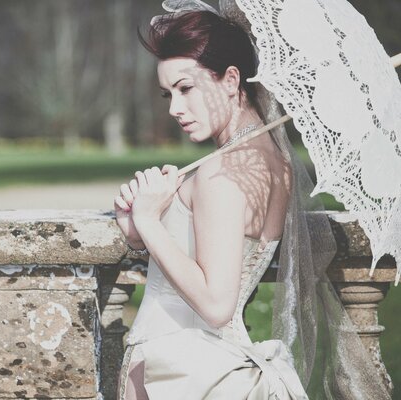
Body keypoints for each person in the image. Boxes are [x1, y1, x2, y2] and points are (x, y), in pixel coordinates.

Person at [112, 9, 308, 399]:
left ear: (231, 80)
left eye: (186, 88)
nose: (174, 109)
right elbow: (219, 252)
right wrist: (140, 232)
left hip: (177, 371)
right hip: (218, 364)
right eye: (169, 94)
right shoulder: (277, 165)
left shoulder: (220, 173)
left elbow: (217, 304)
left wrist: (151, 220)